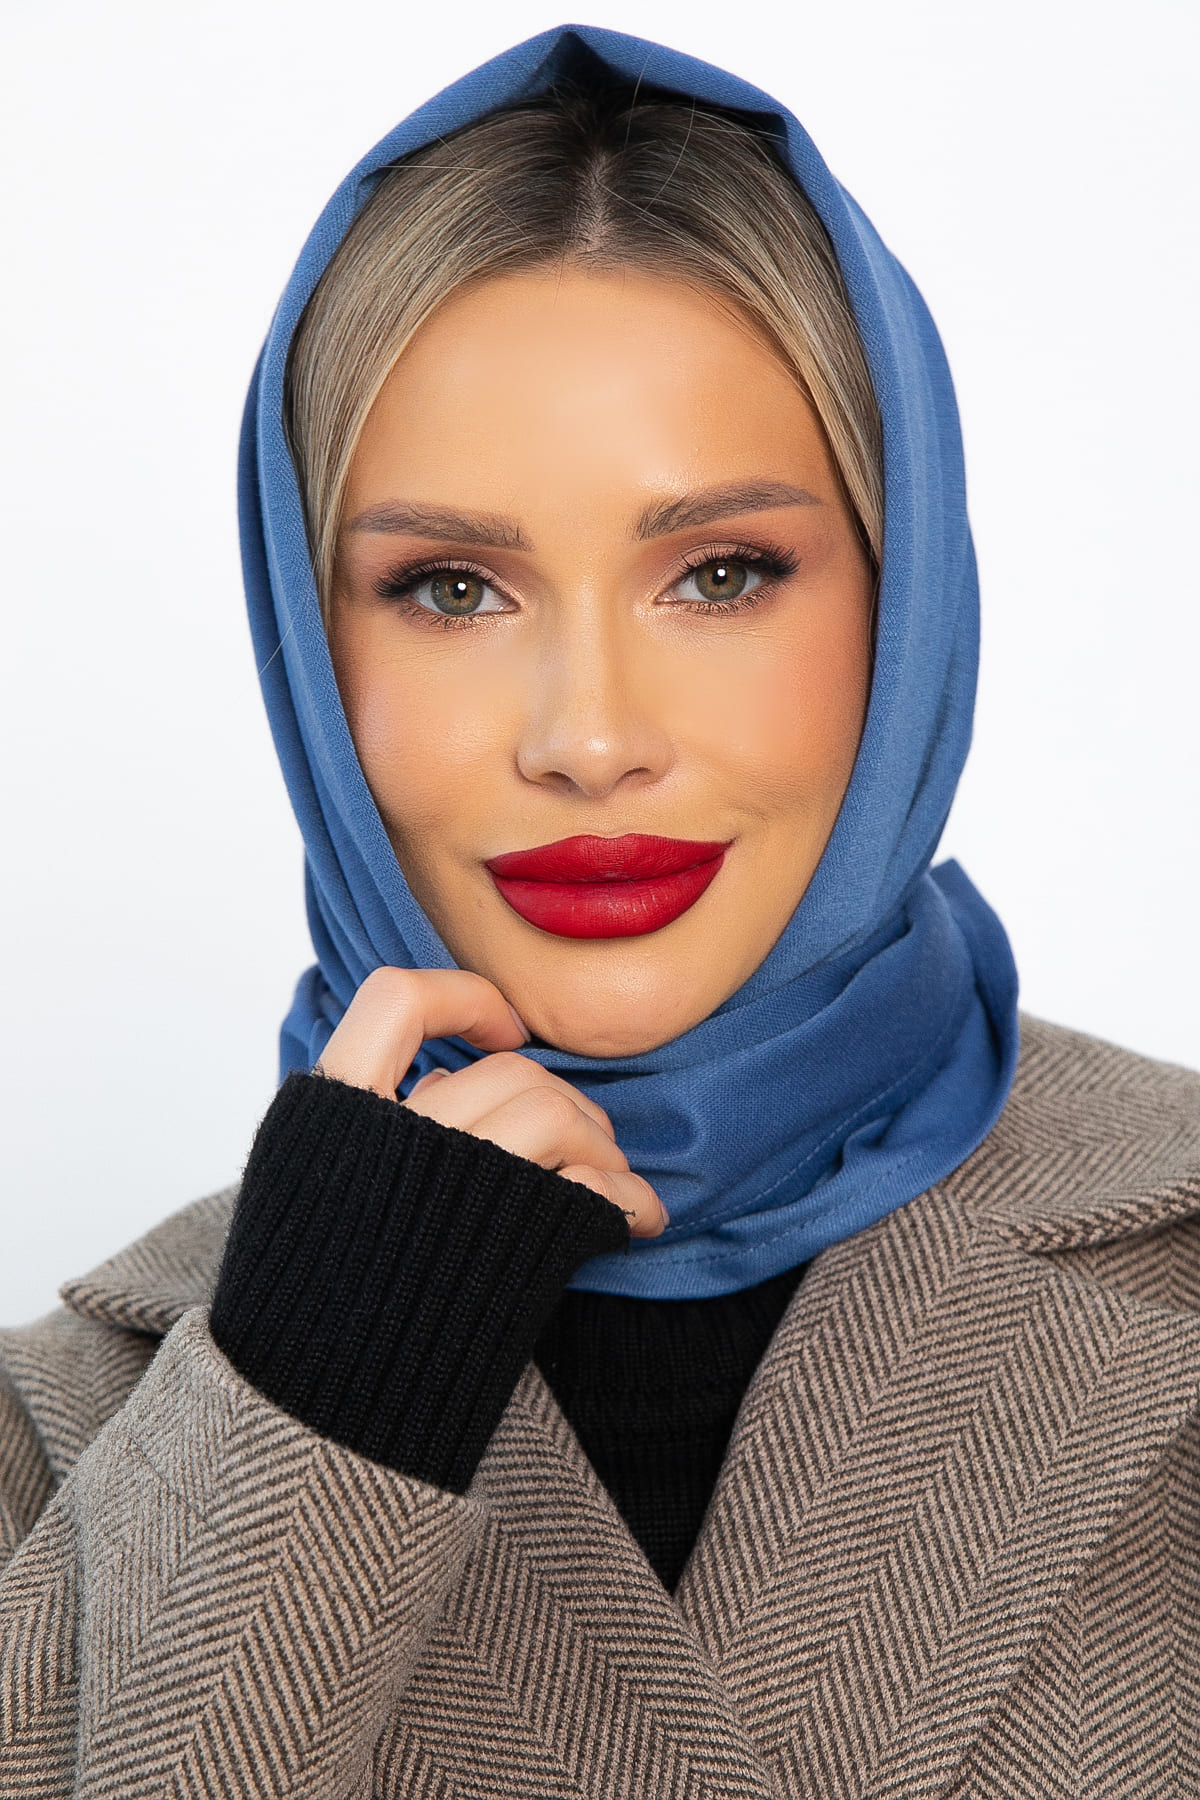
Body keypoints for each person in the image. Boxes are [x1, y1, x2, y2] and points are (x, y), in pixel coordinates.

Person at [2, 22, 1198, 1796]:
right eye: (450, 589)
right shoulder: (68, 1431)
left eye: (721, 573)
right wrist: (316, 1391)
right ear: (311, 654)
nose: (587, 737)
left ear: (907, 599)